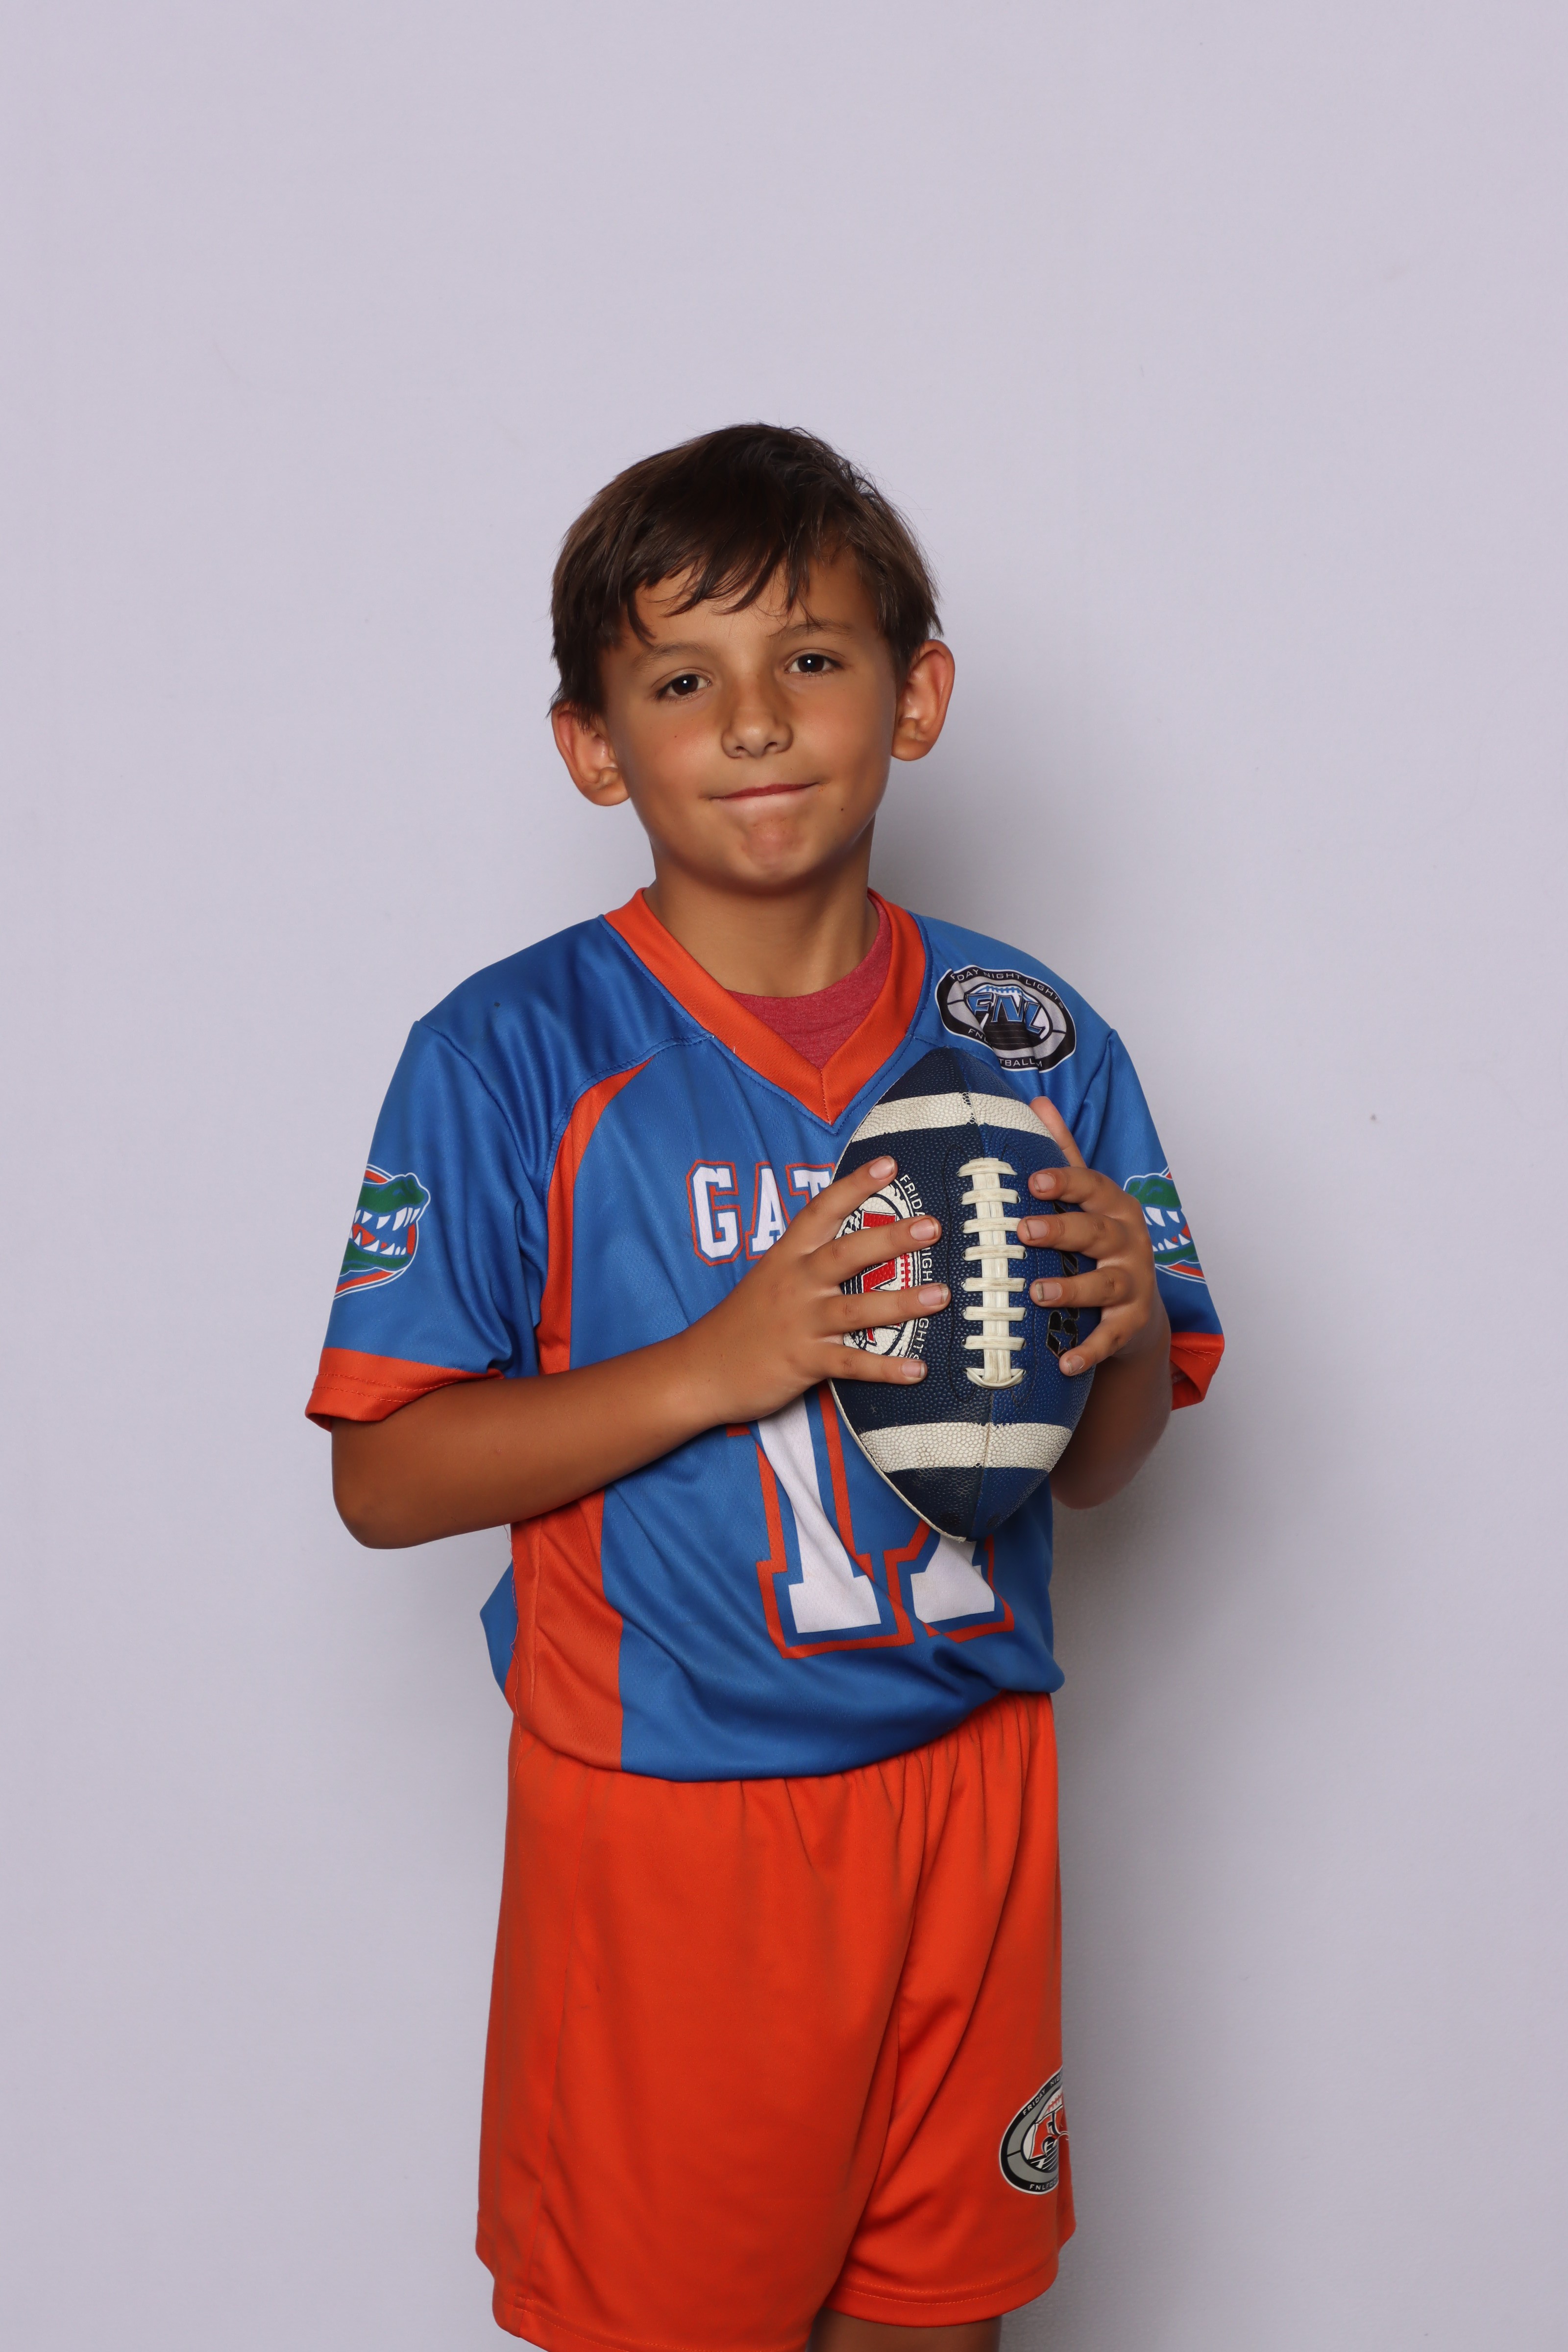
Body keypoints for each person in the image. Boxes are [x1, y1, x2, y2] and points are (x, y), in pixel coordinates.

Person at [309, 423, 1224, 2352]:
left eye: (810, 657)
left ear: (916, 697)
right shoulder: (512, 1053)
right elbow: (383, 1478)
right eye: (679, 680)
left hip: (973, 1790)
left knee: (939, 2321)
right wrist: (719, 1366)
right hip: (676, 1825)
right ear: (592, 745)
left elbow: (1096, 1472)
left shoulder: (1031, 1041)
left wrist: (1128, 1337)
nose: (752, 720)